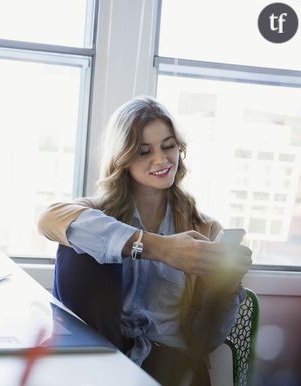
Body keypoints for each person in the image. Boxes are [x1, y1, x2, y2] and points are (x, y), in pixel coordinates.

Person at [37, 96, 252, 386]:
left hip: (171, 364)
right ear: (123, 158)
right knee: (79, 242)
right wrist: (161, 249)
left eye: (168, 146)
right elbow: (48, 219)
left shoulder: (204, 228)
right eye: (143, 151)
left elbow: (205, 341)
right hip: (105, 355)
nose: (161, 160)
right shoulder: (97, 212)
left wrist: (224, 288)